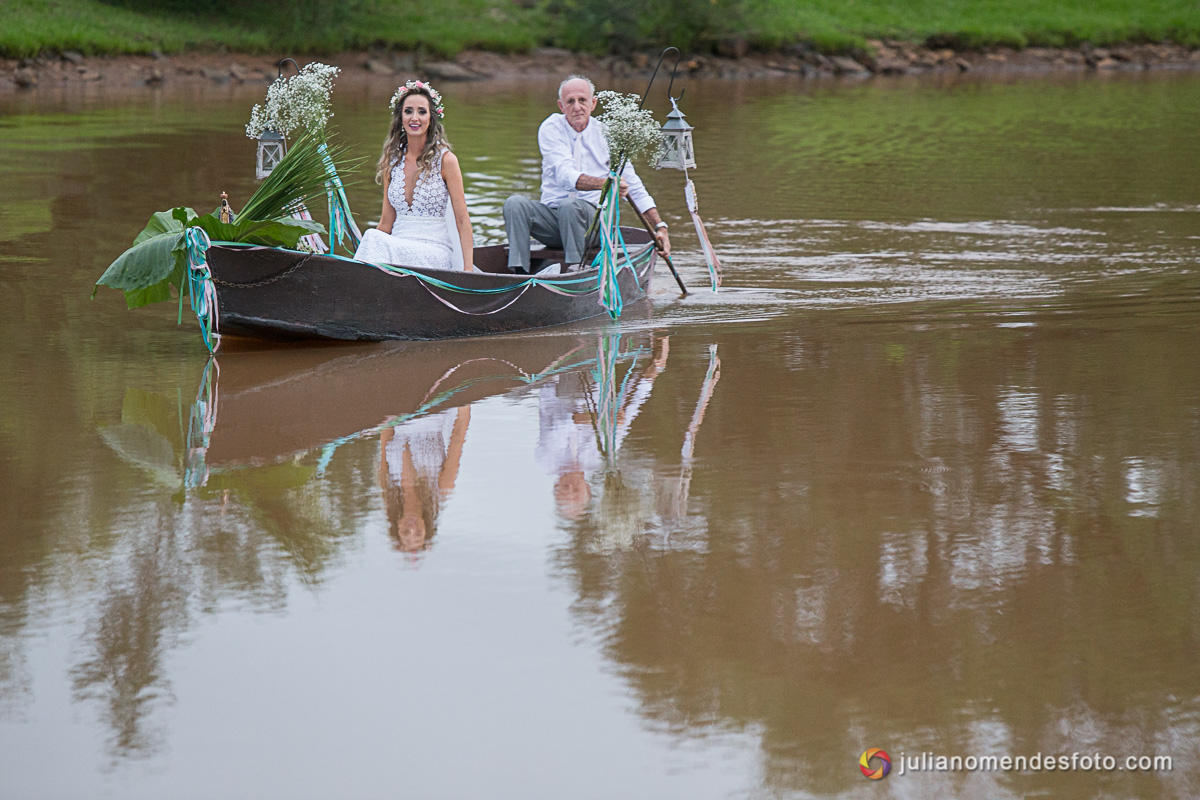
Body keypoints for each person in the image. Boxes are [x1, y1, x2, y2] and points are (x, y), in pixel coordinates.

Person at [503, 75, 671, 274]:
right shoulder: (551, 128)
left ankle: (574, 271)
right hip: (554, 224)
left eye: (582, 100)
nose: (577, 107)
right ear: (561, 106)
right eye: (570, 101)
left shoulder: (608, 134)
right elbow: (565, 175)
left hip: (594, 227)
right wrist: (607, 184)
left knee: (570, 206)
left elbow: (634, 186)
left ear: (593, 104)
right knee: (514, 204)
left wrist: (660, 226)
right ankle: (519, 274)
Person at [354, 80, 474, 271]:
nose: (414, 118)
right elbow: (386, 223)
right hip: (397, 248)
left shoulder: (446, 161)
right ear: (400, 117)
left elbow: (462, 219)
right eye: (408, 111)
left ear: (431, 118)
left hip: (434, 251)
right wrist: (367, 248)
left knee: (371, 237)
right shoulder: (392, 162)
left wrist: (468, 270)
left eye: (422, 112)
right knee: (371, 236)